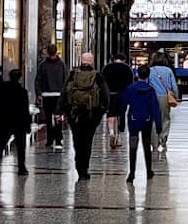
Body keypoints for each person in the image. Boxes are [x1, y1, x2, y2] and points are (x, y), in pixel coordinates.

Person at [61, 52, 108, 180]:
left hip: (74, 114)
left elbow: (64, 92)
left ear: (81, 61)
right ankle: (85, 169)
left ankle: (79, 167)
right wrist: (102, 111)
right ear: (92, 62)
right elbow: (105, 95)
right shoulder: (97, 76)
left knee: (77, 140)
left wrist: (61, 110)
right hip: (91, 115)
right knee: (87, 141)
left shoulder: (73, 74)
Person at [0, 69, 31, 177]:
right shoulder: (22, 92)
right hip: (19, 123)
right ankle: (21, 167)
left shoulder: (2, 90)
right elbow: (25, 110)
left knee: (0, 144)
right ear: (20, 78)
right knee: (21, 147)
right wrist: (27, 125)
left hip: (5, 122)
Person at [123, 64, 161, 183]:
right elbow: (155, 109)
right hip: (147, 121)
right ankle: (149, 171)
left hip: (133, 121)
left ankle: (132, 173)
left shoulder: (130, 89)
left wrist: (121, 122)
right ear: (148, 75)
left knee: (133, 146)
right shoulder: (150, 90)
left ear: (137, 74)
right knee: (146, 144)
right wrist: (158, 125)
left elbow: (124, 105)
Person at [35, 43, 66, 149]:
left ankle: (50, 139)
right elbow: (65, 80)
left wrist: (39, 93)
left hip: (46, 95)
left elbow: (38, 80)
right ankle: (58, 139)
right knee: (59, 118)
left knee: (48, 119)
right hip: (58, 95)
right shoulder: (61, 64)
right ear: (56, 51)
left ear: (47, 52)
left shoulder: (43, 64)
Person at [148, 52, 179, 155]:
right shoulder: (168, 70)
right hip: (165, 97)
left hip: (152, 97)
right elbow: (174, 86)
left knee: (152, 120)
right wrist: (176, 97)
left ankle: (154, 143)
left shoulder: (150, 71)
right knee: (165, 119)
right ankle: (163, 139)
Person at [101, 53, 132, 148]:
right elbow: (130, 83)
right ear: (124, 60)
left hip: (110, 94)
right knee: (120, 115)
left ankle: (111, 133)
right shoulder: (127, 68)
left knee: (111, 114)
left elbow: (102, 82)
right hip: (122, 94)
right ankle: (118, 136)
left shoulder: (107, 68)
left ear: (113, 59)